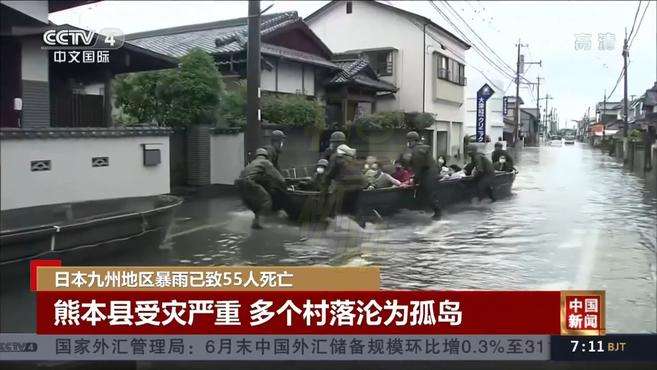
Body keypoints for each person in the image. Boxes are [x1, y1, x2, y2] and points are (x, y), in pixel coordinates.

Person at [235, 148, 287, 229]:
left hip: (239, 184)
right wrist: (285, 185)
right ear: (266, 156)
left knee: (255, 203)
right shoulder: (266, 162)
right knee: (266, 201)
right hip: (249, 182)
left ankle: (256, 221)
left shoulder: (252, 163)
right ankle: (259, 224)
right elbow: (278, 177)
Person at [401, 131, 442, 218]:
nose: (408, 143)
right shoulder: (420, 149)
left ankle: (438, 214)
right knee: (422, 193)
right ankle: (426, 210)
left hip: (429, 174)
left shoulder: (418, 150)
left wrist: (415, 179)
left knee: (430, 194)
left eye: (409, 141)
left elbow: (419, 167)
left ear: (412, 141)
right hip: (428, 173)